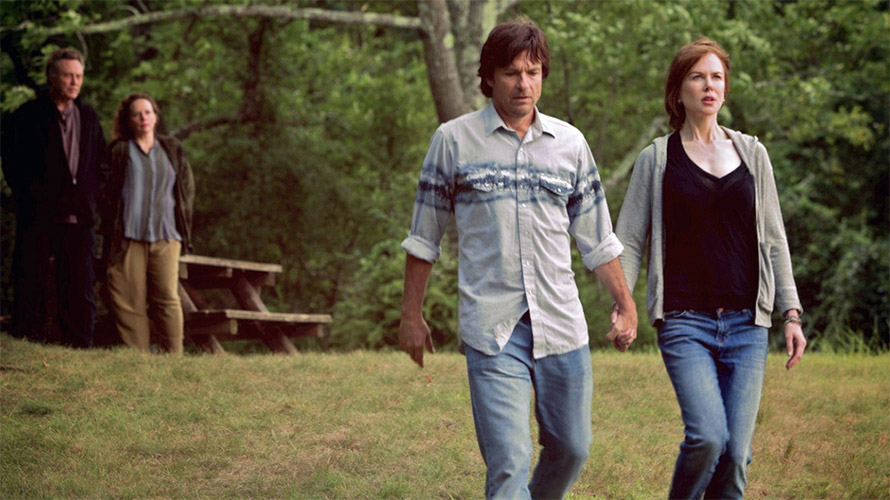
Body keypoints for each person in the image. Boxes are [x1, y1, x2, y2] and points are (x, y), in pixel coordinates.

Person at [398, 17, 637, 500]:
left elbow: (598, 238)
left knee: (572, 448)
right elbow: (424, 238)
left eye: (533, 71)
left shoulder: (570, 144)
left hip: (560, 323)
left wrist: (626, 305)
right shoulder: (453, 141)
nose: (523, 84)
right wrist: (411, 315)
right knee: (509, 461)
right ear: (489, 77)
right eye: (511, 72)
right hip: (493, 327)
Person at [615, 37, 807, 499]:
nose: (708, 86)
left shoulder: (753, 154)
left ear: (725, 88)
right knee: (707, 438)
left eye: (716, 77)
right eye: (697, 77)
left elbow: (774, 238)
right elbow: (629, 241)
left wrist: (791, 313)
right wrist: (624, 307)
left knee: (736, 455)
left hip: (747, 325)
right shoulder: (657, 159)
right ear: (678, 91)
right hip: (684, 322)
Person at [1, 48, 107, 348]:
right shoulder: (27, 116)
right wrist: (29, 197)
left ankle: (79, 345)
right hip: (38, 214)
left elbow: (102, 163)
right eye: (67, 75)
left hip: (80, 215)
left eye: (79, 76)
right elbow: (12, 161)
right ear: (51, 77)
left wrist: (93, 196)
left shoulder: (88, 117)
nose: (74, 82)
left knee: (79, 283)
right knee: (29, 278)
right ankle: (27, 340)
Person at [101, 93, 194, 354]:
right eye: (136, 114)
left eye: (148, 112)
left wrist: (184, 228)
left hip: (166, 236)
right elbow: (105, 192)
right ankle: (138, 361)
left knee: (168, 299)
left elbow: (187, 190)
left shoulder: (172, 149)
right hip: (129, 237)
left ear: (155, 116)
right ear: (128, 120)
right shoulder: (119, 150)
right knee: (129, 301)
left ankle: (174, 358)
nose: (143, 118)